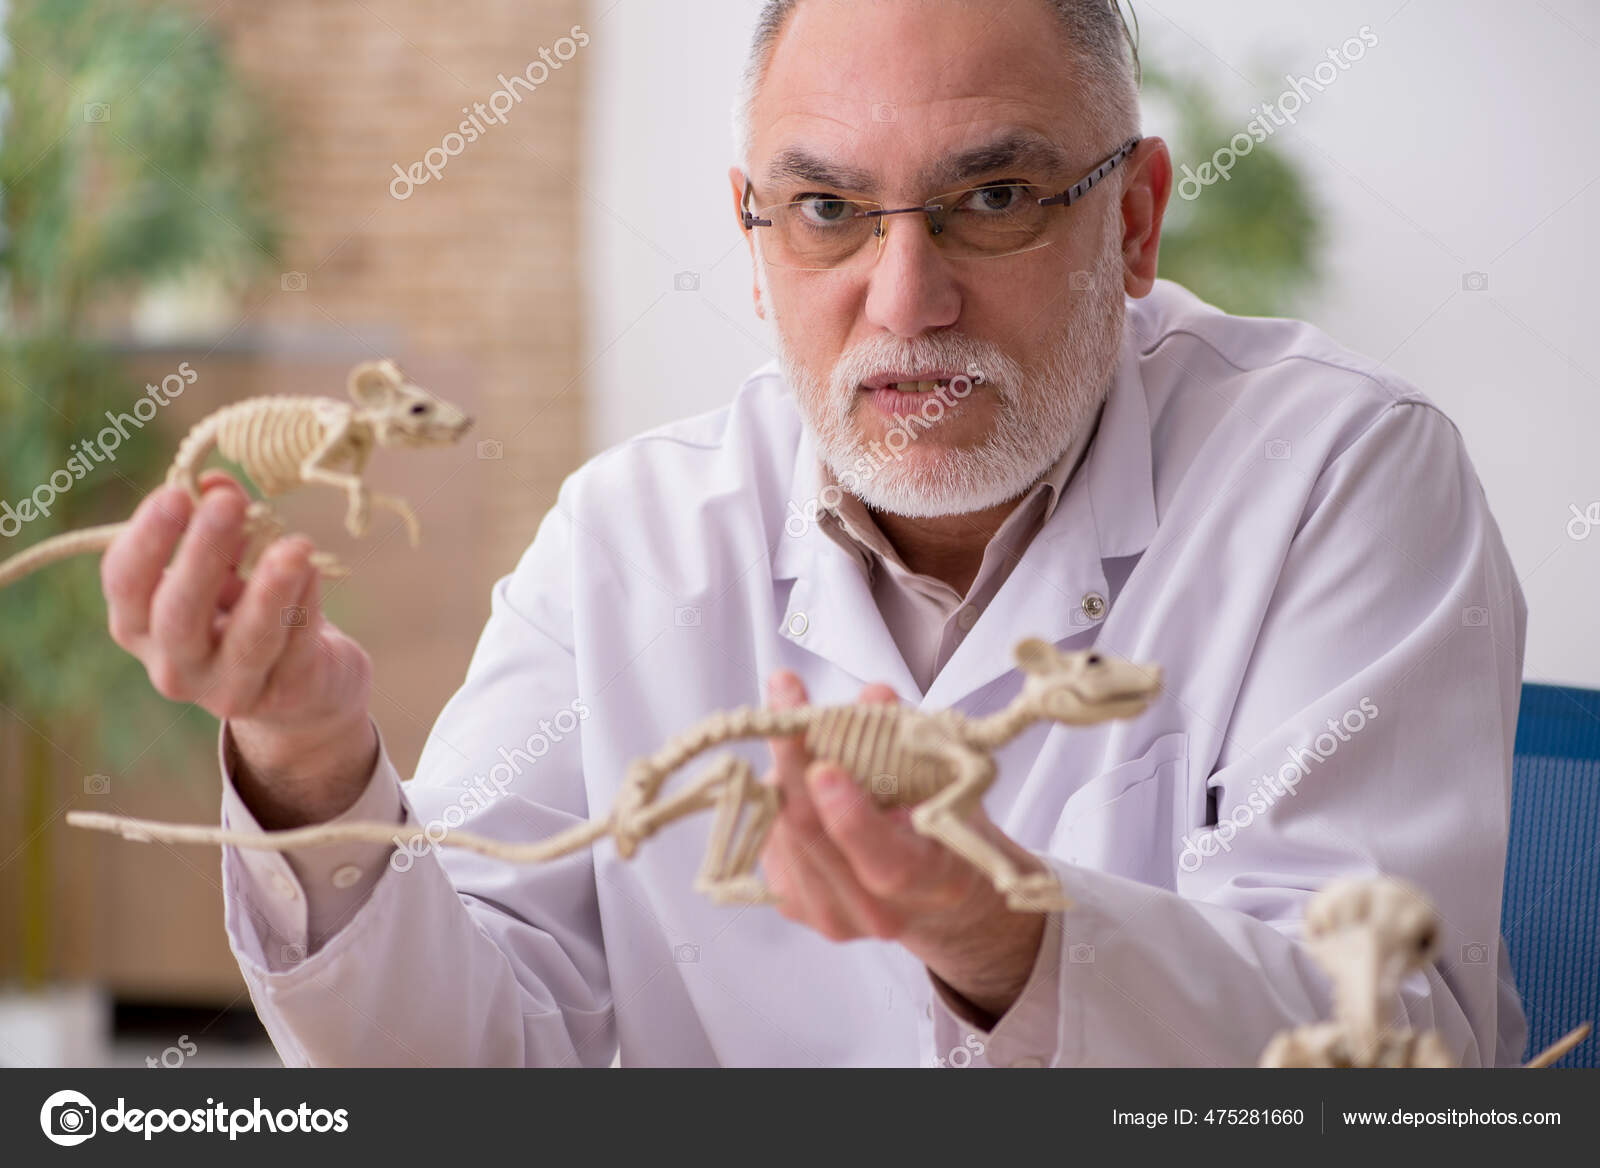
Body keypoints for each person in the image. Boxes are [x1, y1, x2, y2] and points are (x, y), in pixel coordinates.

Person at [100, 0, 1527, 1066]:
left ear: (1137, 220)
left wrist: (1007, 938)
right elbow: (470, 1063)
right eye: (830, 211)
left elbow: (1381, 1051)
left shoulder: (1340, 476)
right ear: (754, 230)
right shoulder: (631, 538)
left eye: (996, 199)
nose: (905, 301)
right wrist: (307, 768)